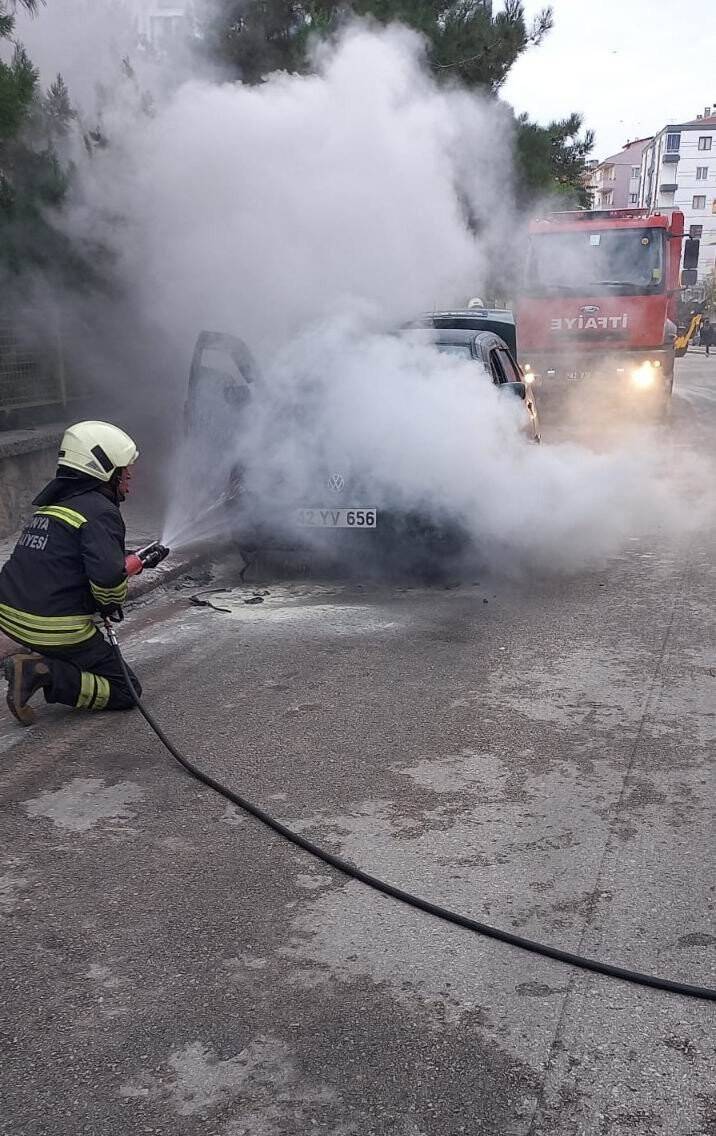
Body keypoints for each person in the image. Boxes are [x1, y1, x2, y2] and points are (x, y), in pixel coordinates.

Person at [0, 421, 150, 726]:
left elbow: (70, 562)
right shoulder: (101, 512)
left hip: (11, 615)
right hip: (53, 628)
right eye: (124, 468)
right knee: (127, 690)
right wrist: (109, 603)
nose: (130, 474)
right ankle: (42, 672)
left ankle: (43, 662)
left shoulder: (53, 507)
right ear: (104, 469)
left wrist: (131, 562)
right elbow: (107, 582)